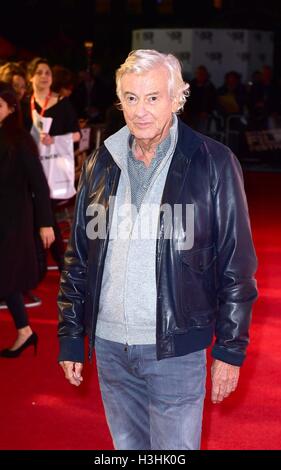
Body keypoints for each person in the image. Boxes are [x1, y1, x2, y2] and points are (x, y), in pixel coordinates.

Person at [58, 50, 258, 450]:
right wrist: (70, 334)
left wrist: (230, 350)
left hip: (175, 349)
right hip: (112, 349)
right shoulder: (101, 162)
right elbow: (78, 257)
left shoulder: (213, 163)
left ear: (175, 99)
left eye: (153, 98)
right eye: (131, 98)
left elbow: (237, 265)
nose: (141, 111)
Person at [0, 82, 55, 358]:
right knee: (5, 278)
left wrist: (45, 222)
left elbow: (39, 183)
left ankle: (24, 331)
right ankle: (24, 331)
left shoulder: (19, 139)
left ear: (10, 108)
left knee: (6, 276)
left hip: (11, 220)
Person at [26, 57, 81, 271]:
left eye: (47, 72)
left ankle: (55, 263)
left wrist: (55, 139)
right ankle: (50, 263)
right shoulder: (23, 104)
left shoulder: (63, 104)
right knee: (36, 215)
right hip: (28, 168)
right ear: (31, 77)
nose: (43, 76)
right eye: (39, 72)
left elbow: (77, 134)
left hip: (51, 169)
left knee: (45, 212)